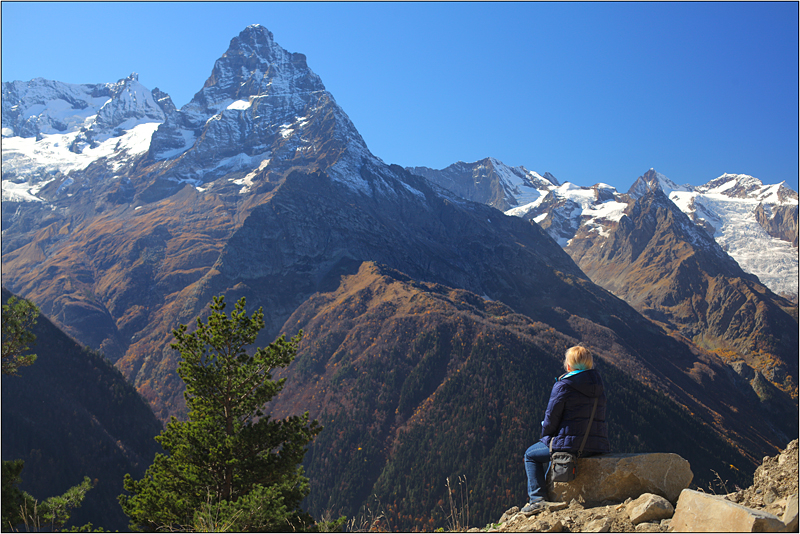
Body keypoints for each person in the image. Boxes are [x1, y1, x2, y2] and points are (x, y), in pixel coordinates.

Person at [522, 346, 610, 512]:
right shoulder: (599, 386)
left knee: (531, 455)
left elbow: (551, 418)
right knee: (552, 449)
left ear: (568, 366)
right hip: (597, 446)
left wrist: (546, 435)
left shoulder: (564, 385)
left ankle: (537, 500)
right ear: (590, 365)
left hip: (572, 446)